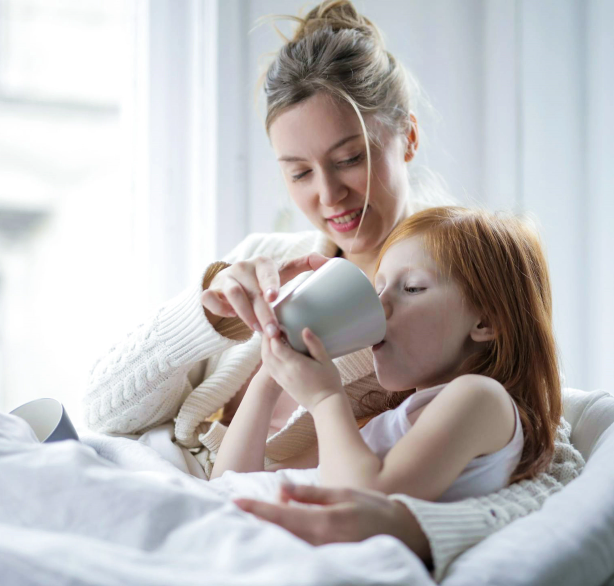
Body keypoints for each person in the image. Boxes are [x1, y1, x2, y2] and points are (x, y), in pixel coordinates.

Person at [82, 0, 584, 580]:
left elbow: (542, 464)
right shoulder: (264, 261)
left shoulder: (454, 300)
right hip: (177, 483)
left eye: (349, 159)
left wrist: (415, 529)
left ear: (408, 138)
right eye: (298, 171)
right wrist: (209, 317)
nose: (327, 194)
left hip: (252, 529)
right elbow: (104, 413)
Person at [213, 206, 560, 503]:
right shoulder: (389, 421)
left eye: (412, 288)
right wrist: (269, 380)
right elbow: (232, 485)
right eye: (378, 289)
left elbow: (368, 500)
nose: (379, 306)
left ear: (486, 321)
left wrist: (324, 398)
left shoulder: (481, 398)